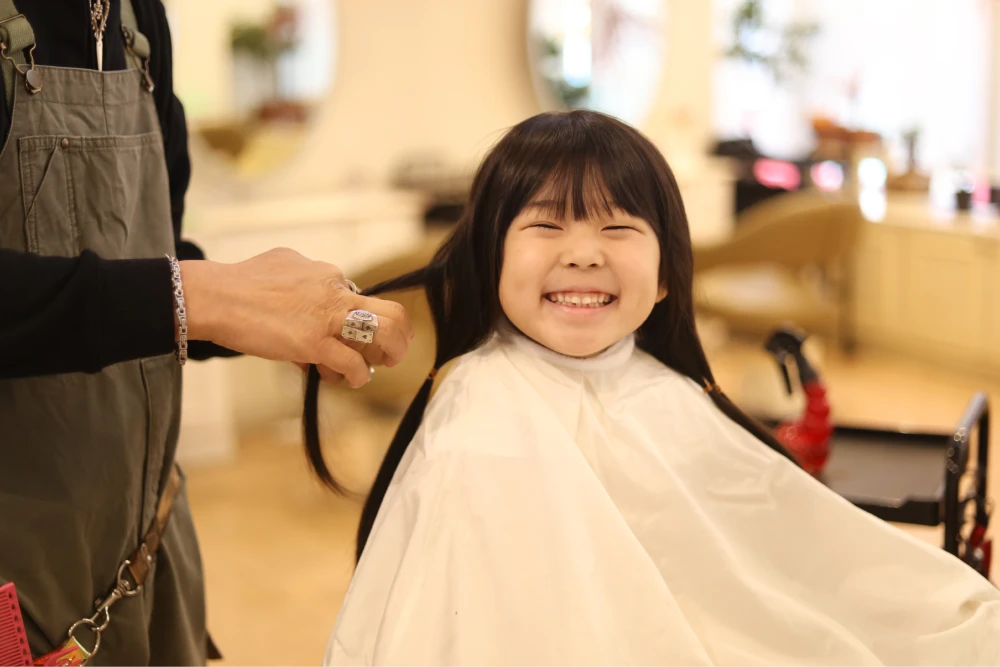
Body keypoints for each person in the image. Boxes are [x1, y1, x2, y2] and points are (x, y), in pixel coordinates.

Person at [303, 110, 1000, 667]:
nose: (583, 251)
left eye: (618, 227)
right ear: (491, 257)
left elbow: (764, 559)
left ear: (666, 275)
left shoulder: (666, 390)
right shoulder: (478, 426)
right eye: (546, 224)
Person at [0, 1, 411, 664]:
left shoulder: (138, 21)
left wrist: (275, 318)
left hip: (144, 544)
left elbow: (148, 264)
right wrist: (204, 297)